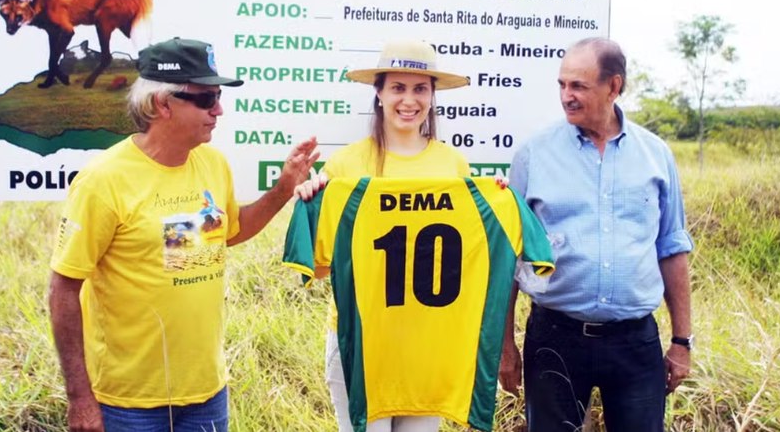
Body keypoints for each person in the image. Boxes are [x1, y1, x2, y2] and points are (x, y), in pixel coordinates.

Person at [48, 37, 319, 432]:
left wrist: (282, 190)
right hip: (128, 404)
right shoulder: (103, 181)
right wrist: (80, 399)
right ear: (162, 103)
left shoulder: (212, 164)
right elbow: (63, 289)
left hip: (206, 395)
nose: (219, 110)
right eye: (206, 99)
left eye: (219, 96)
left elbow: (230, 231)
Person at [498, 37, 694, 431]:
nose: (566, 96)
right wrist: (505, 346)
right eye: (562, 85)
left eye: (579, 86)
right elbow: (508, 255)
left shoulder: (656, 155)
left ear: (614, 86)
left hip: (635, 343)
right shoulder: (533, 155)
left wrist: (682, 341)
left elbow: (672, 248)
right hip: (555, 337)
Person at [295, 39, 471, 432]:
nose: (409, 100)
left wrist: (498, 197)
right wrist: (310, 206)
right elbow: (321, 270)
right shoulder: (346, 164)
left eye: (420, 88)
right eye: (397, 88)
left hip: (427, 339)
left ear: (432, 95)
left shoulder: (454, 165)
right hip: (360, 340)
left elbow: (475, 253)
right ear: (378, 93)